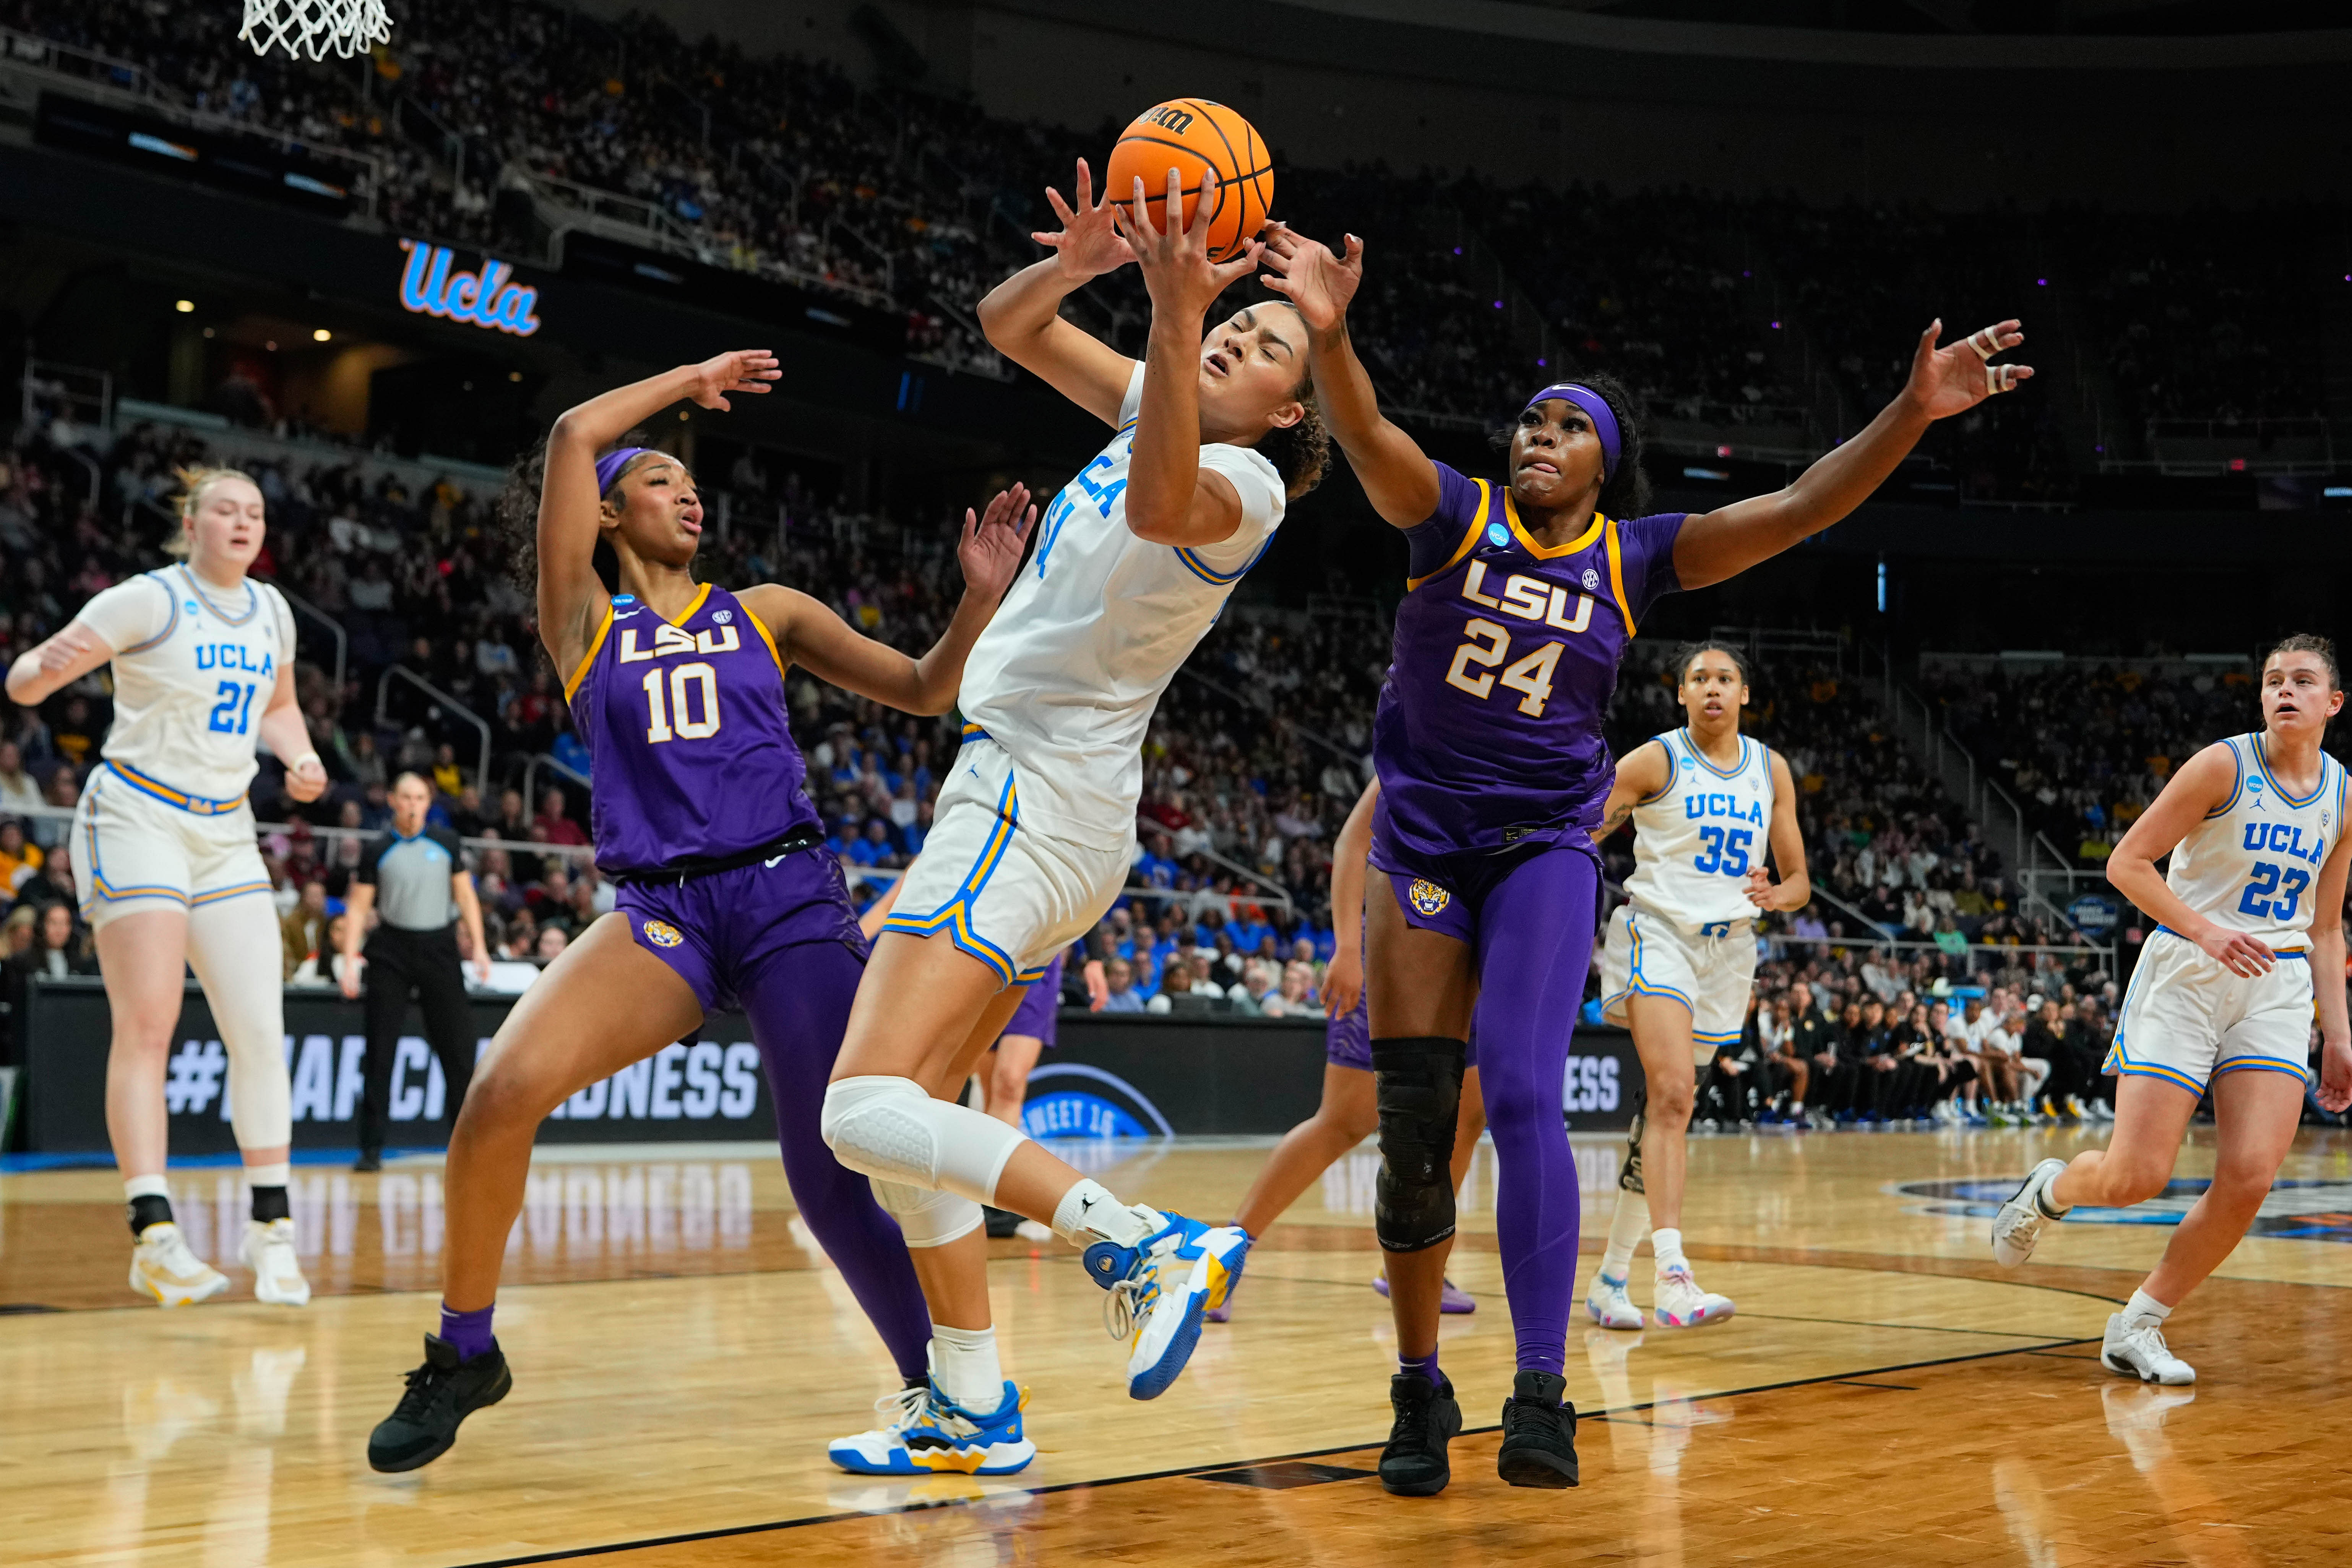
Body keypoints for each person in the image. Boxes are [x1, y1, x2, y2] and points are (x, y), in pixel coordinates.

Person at [1260, 216, 2030, 1494]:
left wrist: (1905, 413)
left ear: (1603, 463)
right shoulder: (1447, 516)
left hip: (1546, 845)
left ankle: (1541, 1391)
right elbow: (1376, 439)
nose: (1533, 438)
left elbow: (1793, 507)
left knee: (1517, 1088)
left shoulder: (1635, 556)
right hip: (1421, 841)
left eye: (1563, 427)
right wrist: (1332, 339)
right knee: (1410, 1130)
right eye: (1527, 421)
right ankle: (1415, 1386)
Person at [362, 352, 1034, 1474]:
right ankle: (464, 1349)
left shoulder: (766, 611)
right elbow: (574, 429)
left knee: (831, 1165)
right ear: (610, 510)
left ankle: (948, 1389)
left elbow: (924, 688)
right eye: (661, 479)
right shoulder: (581, 621)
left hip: (786, 896)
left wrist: (975, 600)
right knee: (501, 1089)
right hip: (663, 910)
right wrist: (694, 378)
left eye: (691, 483)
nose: (688, 494)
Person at [814, 159, 1328, 1469]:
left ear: (1284, 414)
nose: (1236, 331)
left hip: (1032, 795)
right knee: (917, 1113)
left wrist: (1168, 305)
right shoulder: (1161, 401)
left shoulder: (1249, 490)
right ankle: (974, 1399)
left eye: (1269, 342)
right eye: (1236, 316)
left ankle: (1142, 1239)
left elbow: (1159, 502)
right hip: (1036, 797)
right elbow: (1008, 325)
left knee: (857, 1107)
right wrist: (1089, 268)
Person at [5, 466, 327, 1307]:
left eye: (255, 510)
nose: (242, 520)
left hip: (224, 831)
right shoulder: (147, 599)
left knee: (260, 1026)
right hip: (136, 816)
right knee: (148, 1024)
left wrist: (297, 753)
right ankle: (153, 1232)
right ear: (191, 523)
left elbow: (280, 704)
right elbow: (29, 679)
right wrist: (40, 668)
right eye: (225, 507)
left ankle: (274, 1234)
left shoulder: (273, 610)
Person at [1992, 635, 2352, 1386]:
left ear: (2332, 702)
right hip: (2187, 970)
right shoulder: (2222, 763)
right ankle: (2048, 1189)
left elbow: (2323, 925)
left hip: (2276, 985)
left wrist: (2338, 1032)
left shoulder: (2344, 794)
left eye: (2302, 680)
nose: (2284, 690)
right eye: (2272, 680)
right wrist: (2206, 929)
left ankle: (2138, 1322)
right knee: (2136, 1175)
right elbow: (2125, 861)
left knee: (2251, 1174)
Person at [1586, 641, 1808, 1333]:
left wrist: (1777, 896)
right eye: (1698, 678)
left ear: (1744, 693)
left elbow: (1799, 880)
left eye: (1724, 678)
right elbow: (1584, 825)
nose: (1711, 688)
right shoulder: (1656, 758)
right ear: (1679, 693)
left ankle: (1609, 1276)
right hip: (1659, 932)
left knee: (1660, 1113)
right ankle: (1673, 1275)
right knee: (1674, 1094)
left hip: (1729, 951)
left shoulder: (1769, 769)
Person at [1210, 778, 1486, 1326]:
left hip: (1474, 953)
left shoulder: (1521, 753)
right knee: (1343, 1120)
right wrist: (1346, 947)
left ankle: (1418, 1260)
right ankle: (1222, 1257)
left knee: (1466, 1120)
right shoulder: (1423, 734)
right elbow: (1350, 843)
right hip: (1396, 941)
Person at [340, 772, 494, 1172]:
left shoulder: (447, 843)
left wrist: (478, 947)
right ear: (392, 799)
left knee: (458, 1051)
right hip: (391, 949)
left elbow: (465, 897)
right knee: (380, 1052)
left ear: (429, 802)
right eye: (406, 796)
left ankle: (470, 1146)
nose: (412, 803)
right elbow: (358, 908)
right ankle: (371, 1150)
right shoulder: (377, 850)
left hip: (439, 948)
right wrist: (349, 956)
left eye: (420, 797)